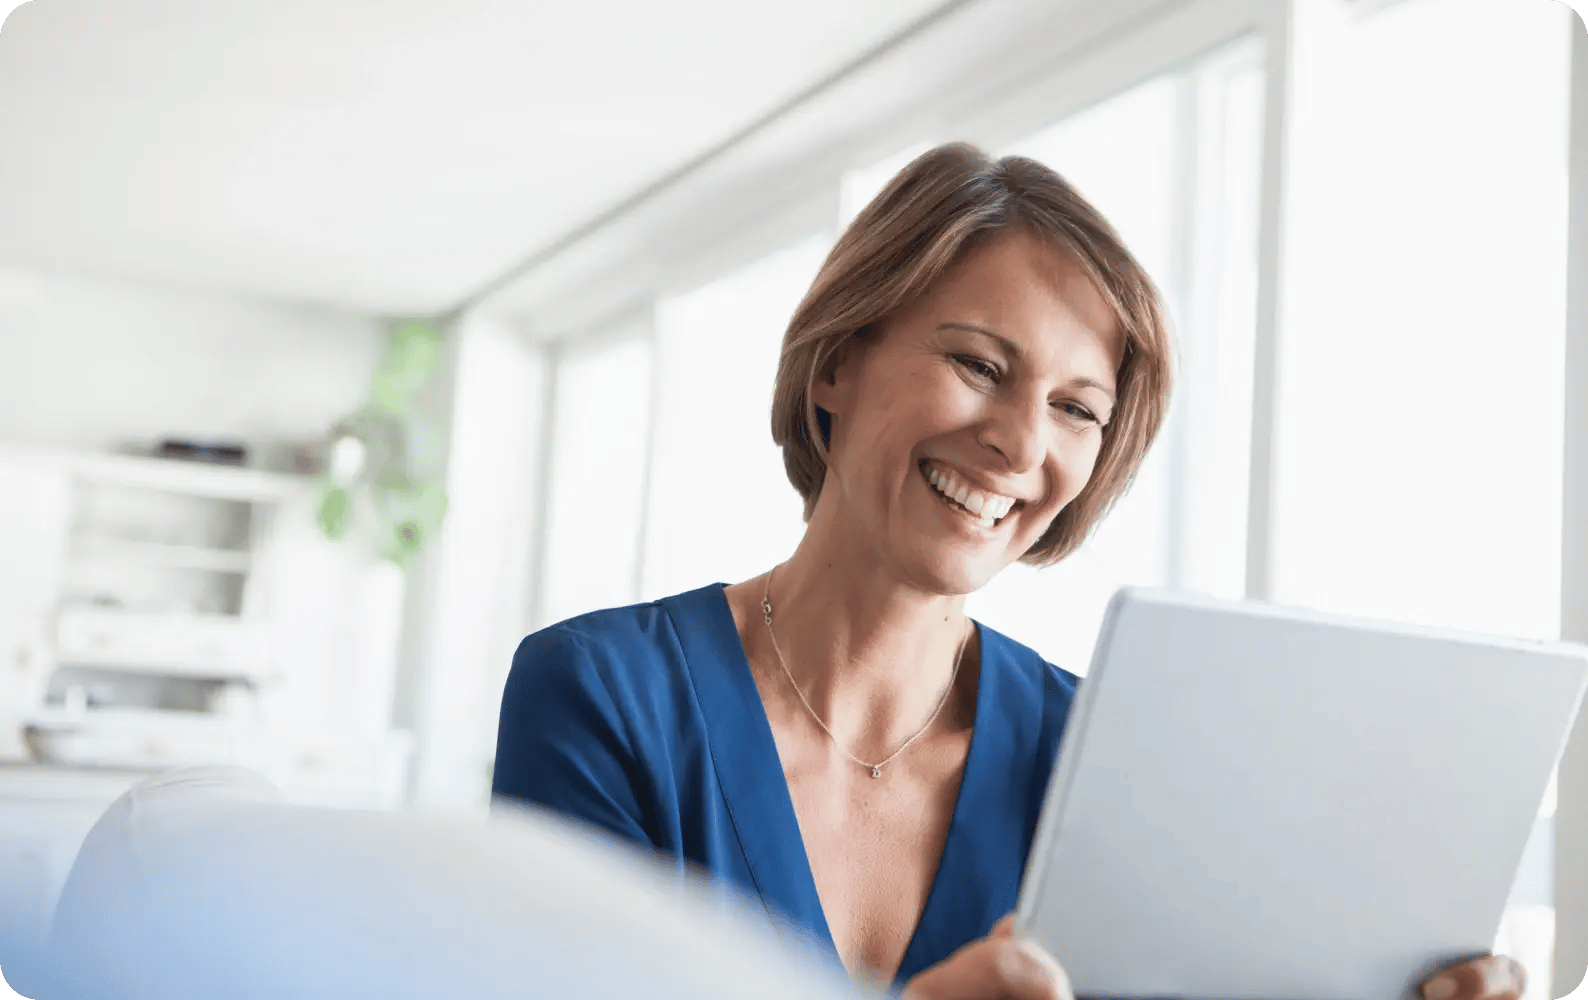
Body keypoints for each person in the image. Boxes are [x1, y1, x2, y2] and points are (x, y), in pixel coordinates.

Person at [491, 143, 1526, 1000]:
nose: (1021, 446)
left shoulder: (1102, 759)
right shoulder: (600, 690)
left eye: (1077, 408)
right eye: (979, 365)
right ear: (837, 364)